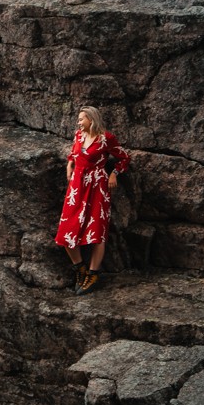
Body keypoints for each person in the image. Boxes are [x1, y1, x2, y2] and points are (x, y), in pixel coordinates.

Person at [54, 106, 131, 293]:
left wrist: (114, 174)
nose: (79, 122)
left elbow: (124, 158)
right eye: (79, 119)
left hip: (98, 186)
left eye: (82, 119)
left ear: (91, 119)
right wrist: (69, 164)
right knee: (66, 230)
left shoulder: (107, 139)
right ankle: (79, 268)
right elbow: (73, 152)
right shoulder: (79, 136)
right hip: (77, 186)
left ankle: (93, 274)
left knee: (97, 231)